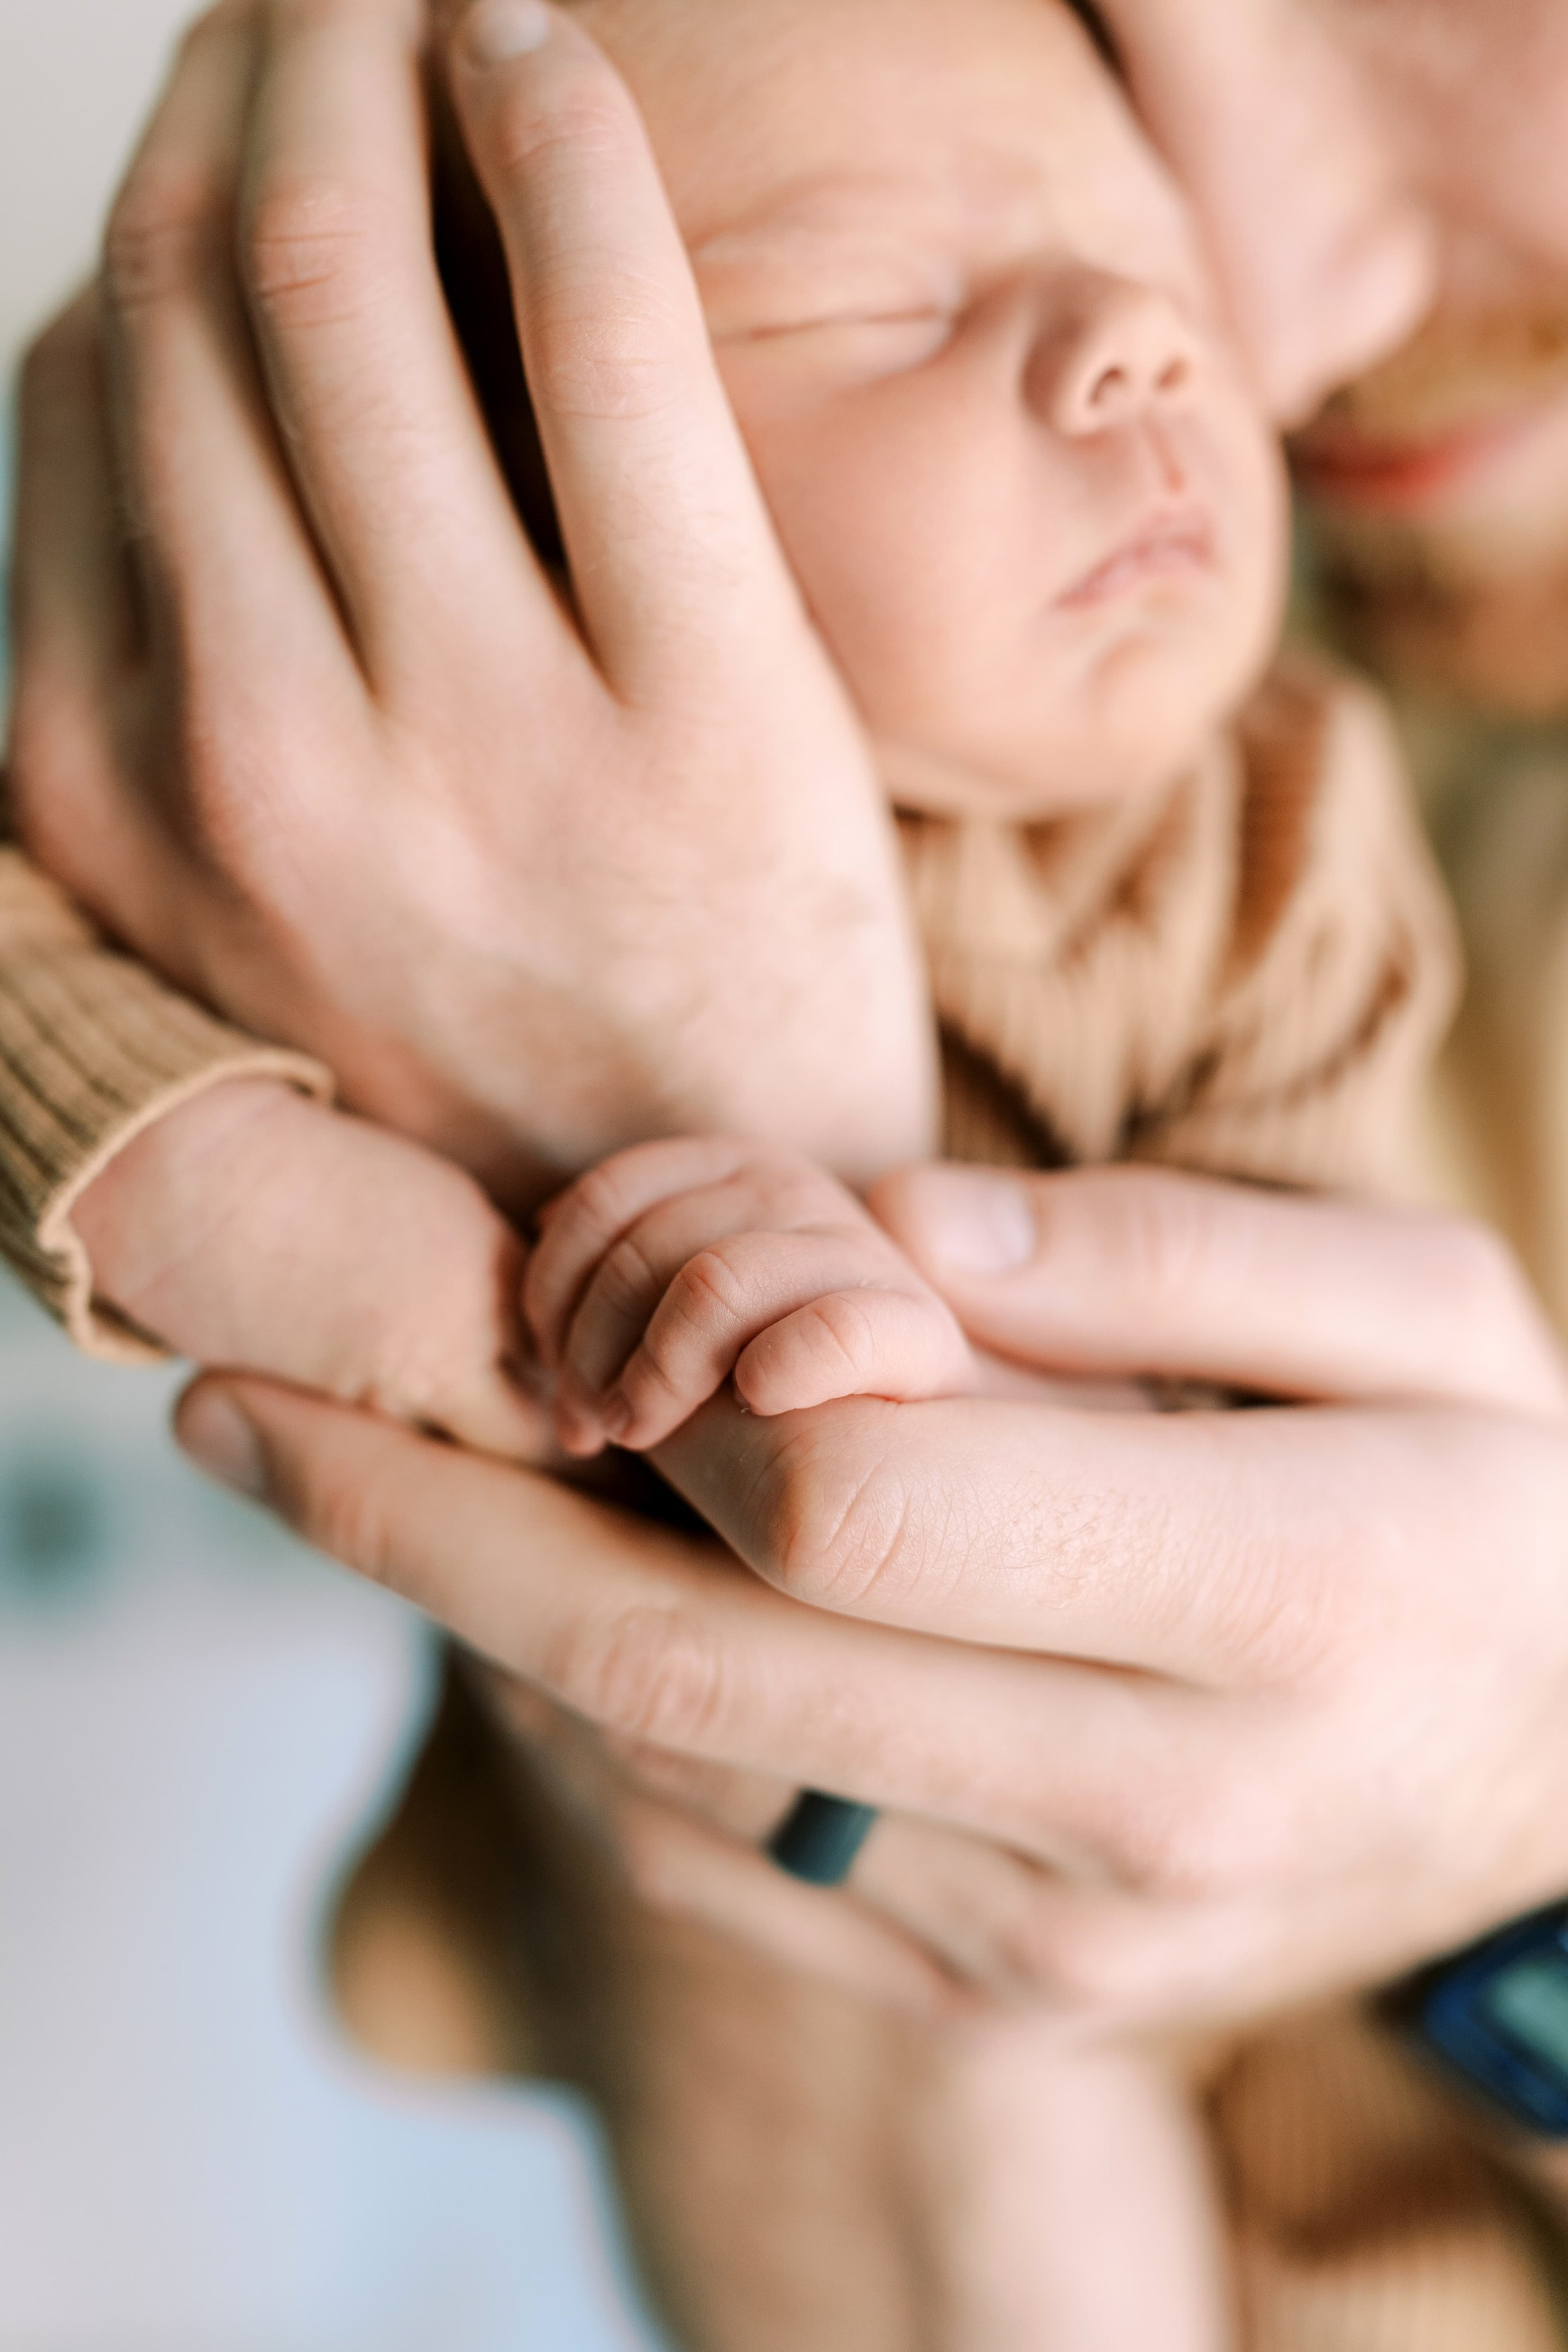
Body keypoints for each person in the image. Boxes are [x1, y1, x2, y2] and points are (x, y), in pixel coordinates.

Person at [11, 0, 1568, 2339]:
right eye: (875, 303)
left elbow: (1256, 1382)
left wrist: (1509, 1840)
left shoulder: (1271, 849)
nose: (1226, 325)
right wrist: (213, 1176)